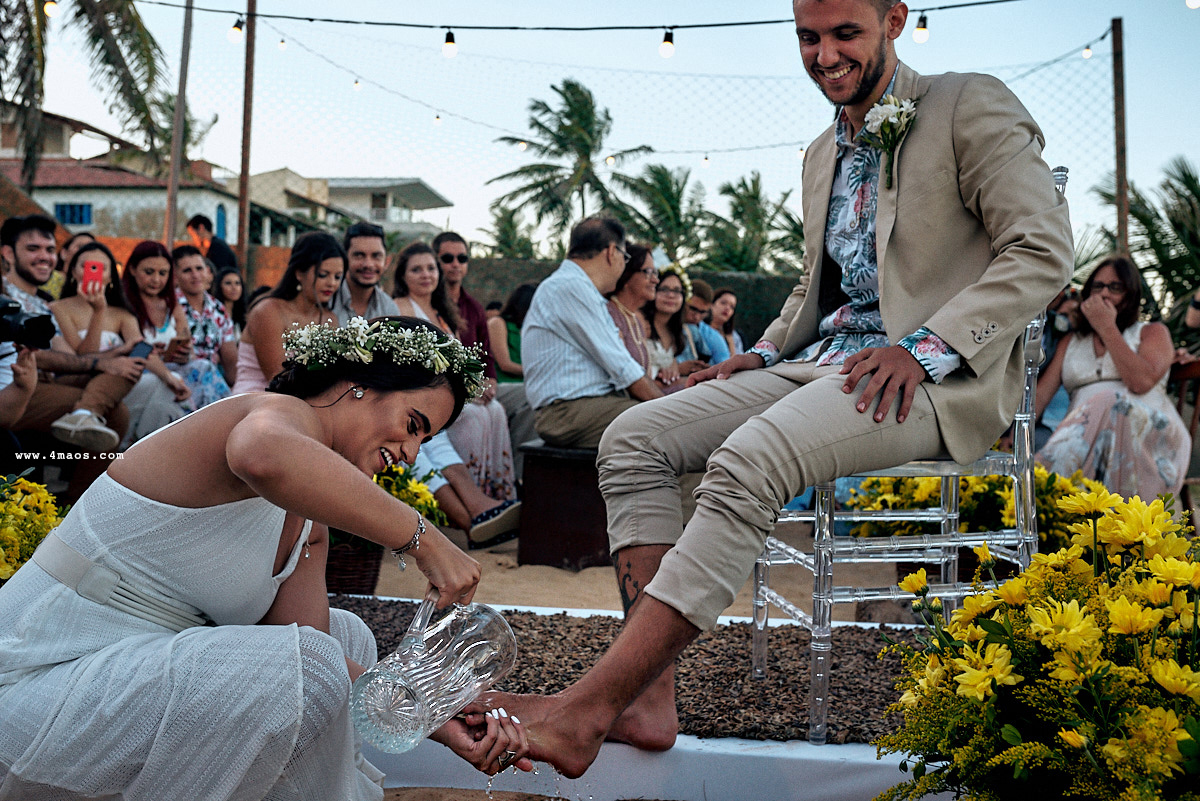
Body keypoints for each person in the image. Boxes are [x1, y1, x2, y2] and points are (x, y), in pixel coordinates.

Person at [485, 0, 1073, 779]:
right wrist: (757, 354)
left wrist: (922, 350)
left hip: (932, 379)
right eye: (807, 36)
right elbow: (813, 288)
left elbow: (1042, 249)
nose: (824, 55)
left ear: (895, 19)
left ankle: (588, 707)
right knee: (635, 436)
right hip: (823, 361)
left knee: (747, 457)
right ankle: (646, 700)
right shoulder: (819, 153)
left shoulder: (970, 102)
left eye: (844, 33)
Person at [0, 316, 533, 798]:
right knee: (312, 662)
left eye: (428, 439)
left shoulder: (308, 526)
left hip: (110, 689)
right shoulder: (270, 415)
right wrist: (425, 539)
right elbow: (261, 454)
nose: (413, 454)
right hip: (33, 680)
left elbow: (311, 669)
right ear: (360, 385)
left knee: (347, 638)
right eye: (415, 424)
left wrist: (428, 715)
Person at [1036, 256, 1189, 499]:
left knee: (1109, 400)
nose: (1104, 294)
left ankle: (1044, 485)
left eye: (1115, 287)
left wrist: (1107, 327)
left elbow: (1140, 383)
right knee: (1105, 402)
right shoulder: (1071, 343)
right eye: (1098, 287)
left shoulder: (1152, 332)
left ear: (1130, 295)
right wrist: (1012, 436)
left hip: (1148, 438)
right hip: (1086, 441)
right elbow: (1041, 396)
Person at [0, 215, 139, 459]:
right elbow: (37, 355)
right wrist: (98, 362)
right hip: (12, 389)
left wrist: (113, 356)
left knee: (128, 366)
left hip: (42, 383)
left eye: (50, 250)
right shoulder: (3, 296)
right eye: (33, 249)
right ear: (8, 254)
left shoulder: (44, 304)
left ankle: (78, 492)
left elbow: (69, 358)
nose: (45, 257)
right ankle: (79, 494)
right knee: (114, 413)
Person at [393, 242, 517, 510]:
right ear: (403, 275)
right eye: (417, 269)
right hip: (422, 395)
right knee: (474, 416)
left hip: (452, 393)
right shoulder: (400, 306)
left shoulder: (443, 312)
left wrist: (479, 385)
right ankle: (470, 502)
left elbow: (465, 362)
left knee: (494, 410)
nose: (426, 274)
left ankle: (495, 494)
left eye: (430, 268)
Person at [522, 218, 664, 449]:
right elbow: (623, 369)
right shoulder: (570, 286)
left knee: (675, 430)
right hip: (569, 412)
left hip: (587, 407)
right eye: (624, 257)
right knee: (670, 429)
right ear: (611, 252)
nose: (622, 265)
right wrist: (673, 408)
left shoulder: (578, 288)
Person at [232, 232, 343, 394]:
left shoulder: (329, 319)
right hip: (256, 399)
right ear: (299, 273)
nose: (331, 283)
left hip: (306, 400)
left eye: (338, 277)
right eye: (323, 275)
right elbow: (277, 379)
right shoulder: (268, 311)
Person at [487, 283, 539, 479]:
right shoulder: (498, 323)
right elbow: (505, 363)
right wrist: (537, 372)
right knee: (533, 395)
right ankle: (518, 470)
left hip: (525, 385)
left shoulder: (529, 329)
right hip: (501, 385)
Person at [173, 245, 238, 392]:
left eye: (199, 268)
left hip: (212, 383)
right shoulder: (168, 307)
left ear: (207, 271)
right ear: (175, 276)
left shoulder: (218, 309)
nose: (195, 275)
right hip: (178, 382)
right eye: (187, 270)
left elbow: (231, 361)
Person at [606, 243, 658, 383]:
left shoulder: (634, 319)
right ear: (626, 275)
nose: (655, 280)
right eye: (647, 272)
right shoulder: (610, 315)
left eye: (655, 272)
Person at [332, 221, 401, 325]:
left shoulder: (389, 308)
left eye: (376, 256)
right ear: (344, 258)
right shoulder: (327, 299)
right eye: (359, 255)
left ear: (387, 261)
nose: (368, 264)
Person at [643, 266, 697, 393]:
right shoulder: (642, 325)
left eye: (677, 291)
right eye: (664, 289)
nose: (671, 295)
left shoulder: (675, 331)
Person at [682, 278, 731, 366]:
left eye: (702, 312)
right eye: (693, 309)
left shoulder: (713, 337)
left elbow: (724, 367)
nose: (696, 317)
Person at [45, 231, 96, 301]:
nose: (85, 252)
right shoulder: (46, 278)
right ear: (64, 253)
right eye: (80, 247)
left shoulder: (94, 287)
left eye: (90, 249)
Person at [212, 267, 247, 336]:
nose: (234, 288)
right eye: (228, 283)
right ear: (219, 286)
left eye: (237, 283)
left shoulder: (245, 314)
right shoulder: (212, 312)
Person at [709, 288, 744, 356]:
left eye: (732, 307)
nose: (727, 308)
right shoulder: (700, 330)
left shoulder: (735, 337)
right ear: (712, 304)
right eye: (723, 303)